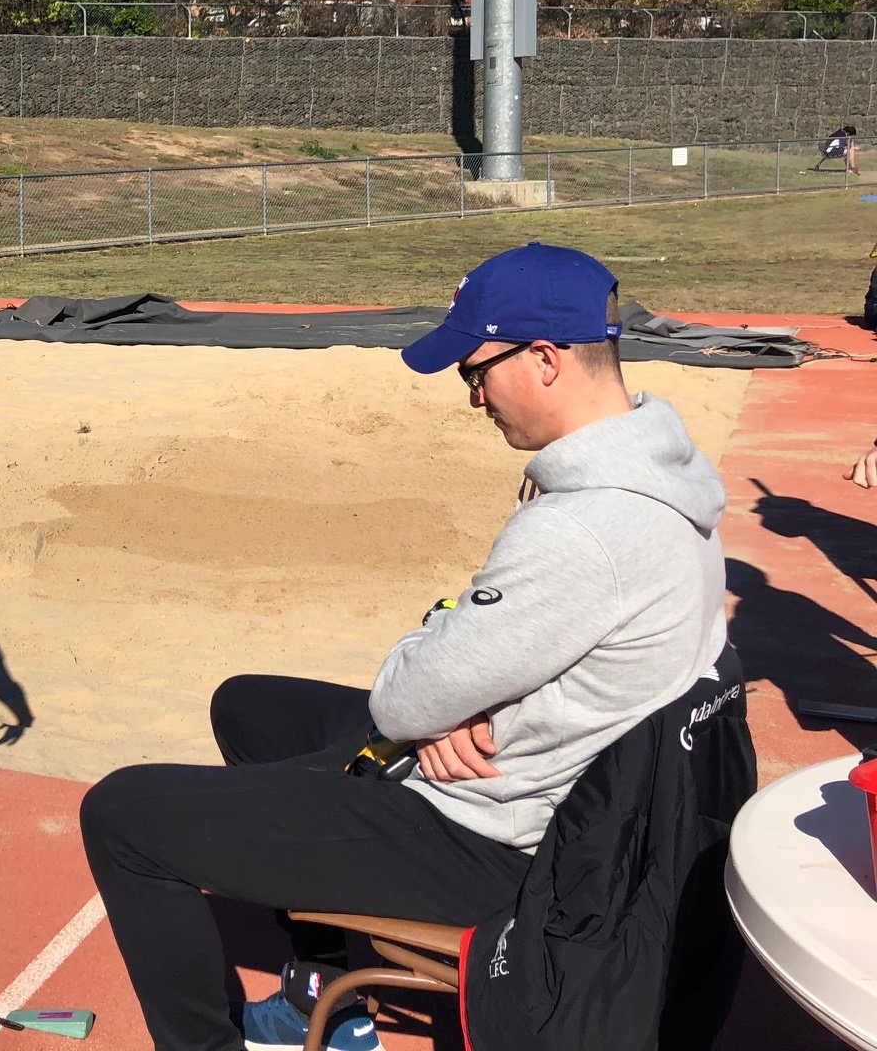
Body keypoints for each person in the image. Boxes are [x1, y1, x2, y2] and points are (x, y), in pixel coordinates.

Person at [79, 243, 728, 1051]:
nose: (472, 397)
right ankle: (323, 995)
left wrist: (440, 691)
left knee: (123, 814)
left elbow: (405, 694)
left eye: (474, 370)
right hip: (540, 775)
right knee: (248, 707)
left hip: (496, 838)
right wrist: (463, 694)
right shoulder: (669, 480)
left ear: (546, 359)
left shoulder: (583, 530)